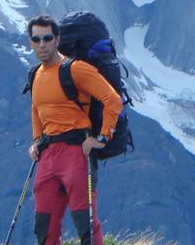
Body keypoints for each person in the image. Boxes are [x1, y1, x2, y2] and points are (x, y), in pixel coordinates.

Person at [27, 14, 122, 245]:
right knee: (44, 228)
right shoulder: (35, 75)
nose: (42, 44)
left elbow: (112, 100)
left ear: (57, 39)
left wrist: (102, 137)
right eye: (36, 39)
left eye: (47, 38)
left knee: (85, 225)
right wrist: (37, 141)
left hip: (77, 153)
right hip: (48, 157)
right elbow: (37, 109)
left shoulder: (76, 69)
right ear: (30, 42)